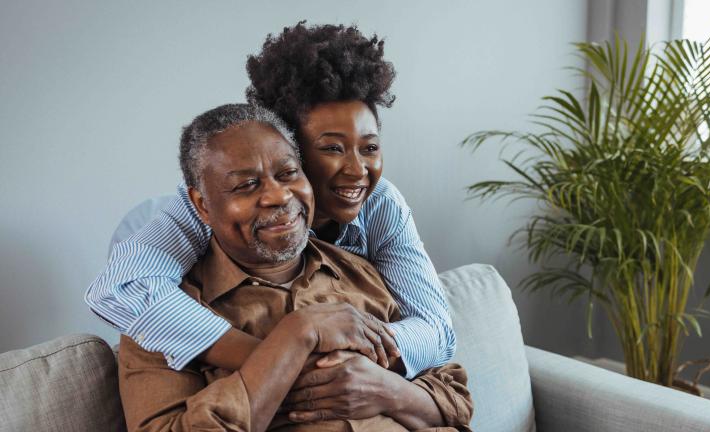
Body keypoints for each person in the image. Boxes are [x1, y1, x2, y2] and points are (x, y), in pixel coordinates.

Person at [86, 22, 454, 379]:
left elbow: (437, 329)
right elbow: (121, 287)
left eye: (370, 147)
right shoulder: (207, 208)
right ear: (287, 147)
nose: (358, 171)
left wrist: (354, 363)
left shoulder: (381, 203)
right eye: (332, 148)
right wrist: (281, 361)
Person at [118, 103, 472, 432]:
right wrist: (296, 336)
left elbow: (455, 401)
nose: (279, 196)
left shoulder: (358, 270)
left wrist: (385, 390)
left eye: (288, 173)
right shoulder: (158, 321)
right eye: (247, 184)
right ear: (202, 205)